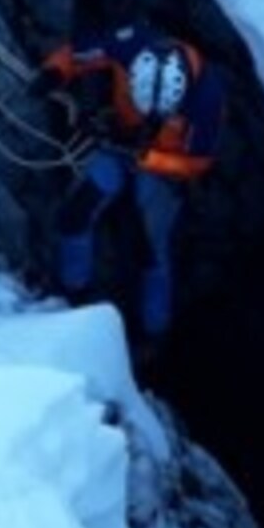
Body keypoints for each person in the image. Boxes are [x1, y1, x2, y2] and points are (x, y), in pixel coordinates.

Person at [34, 22, 225, 338]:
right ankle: (71, 294)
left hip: (161, 167)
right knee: (76, 213)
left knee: (152, 246)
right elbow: (79, 53)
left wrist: (148, 159)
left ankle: (155, 329)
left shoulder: (207, 96)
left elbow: (197, 163)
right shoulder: (131, 44)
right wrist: (54, 71)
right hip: (117, 144)